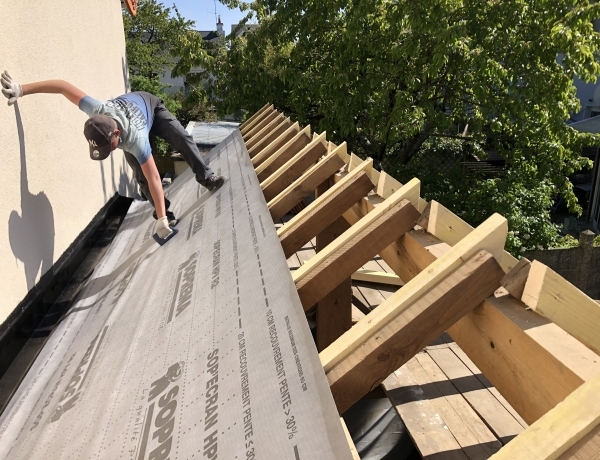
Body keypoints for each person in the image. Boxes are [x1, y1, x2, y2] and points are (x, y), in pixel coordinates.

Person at [1, 71, 226, 241]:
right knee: (140, 176)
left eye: (110, 147)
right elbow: (61, 86)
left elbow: (155, 178)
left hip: (151, 108)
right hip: (127, 115)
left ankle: (207, 178)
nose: (110, 152)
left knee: (182, 138)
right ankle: (165, 212)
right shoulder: (96, 111)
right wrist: (21, 89)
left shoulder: (135, 140)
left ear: (117, 135)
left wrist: (161, 221)